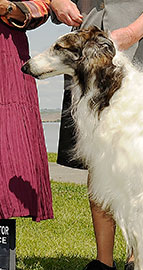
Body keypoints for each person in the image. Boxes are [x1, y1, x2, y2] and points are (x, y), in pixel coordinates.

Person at [50, 0, 143, 270]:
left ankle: (140, 260)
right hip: (88, 70)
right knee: (100, 167)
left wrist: (134, 31)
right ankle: (103, 263)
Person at [0, 1, 53, 222]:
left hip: (5, 47)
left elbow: (42, 6)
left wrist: (10, 9)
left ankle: (3, 250)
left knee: (8, 142)